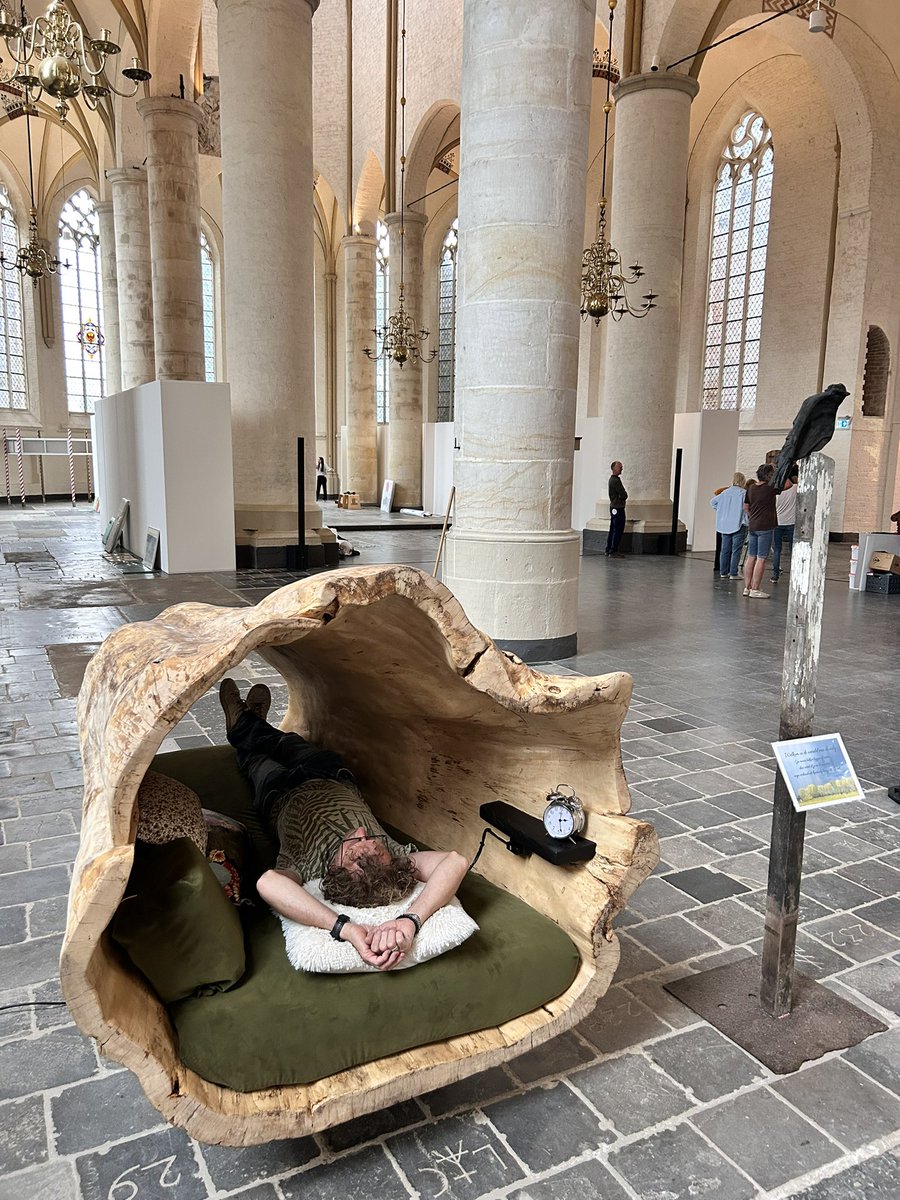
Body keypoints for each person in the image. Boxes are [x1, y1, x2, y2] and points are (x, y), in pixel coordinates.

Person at [219, 680, 468, 971]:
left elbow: (267, 883)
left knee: (256, 759)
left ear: (336, 869)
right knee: (287, 742)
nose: (362, 833)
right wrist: (411, 920)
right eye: (371, 839)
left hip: (279, 791)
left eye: (352, 846)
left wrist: (345, 928)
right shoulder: (395, 856)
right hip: (332, 775)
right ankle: (253, 723)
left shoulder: (308, 868)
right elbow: (456, 861)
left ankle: (243, 724)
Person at [742, 463, 778, 599]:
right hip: (765, 526)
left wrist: (753, 516)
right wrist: (779, 470)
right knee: (761, 558)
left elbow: (746, 507)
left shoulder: (751, 488)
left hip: (753, 526)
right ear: (769, 476)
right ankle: (756, 588)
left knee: (751, 556)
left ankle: (747, 587)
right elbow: (788, 485)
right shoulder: (770, 488)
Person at [710, 472, 748, 579]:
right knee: (736, 550)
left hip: (724, 524)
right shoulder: (744, 493)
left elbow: (713, 502)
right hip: (738, 523)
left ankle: (723, 572)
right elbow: (746, 509)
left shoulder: (725, 492)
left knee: (725, 549)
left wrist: (720, 510)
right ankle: (733, 573)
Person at [772, 466, 798, 582]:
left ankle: (775, 574)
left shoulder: (775, 493)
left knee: (777, 549)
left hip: (777, 522)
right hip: (791, 522)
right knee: (793, 549)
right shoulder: (795, 489)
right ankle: (795, 573)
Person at [605, 461, 628, 557]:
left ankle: (609, 549)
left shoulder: (612, 480)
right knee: (618, 529)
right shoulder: (616, 481)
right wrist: (624, 496)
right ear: (614, 468)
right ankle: (613, 550)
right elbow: (624, 494)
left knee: (613, 529)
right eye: (620, 467)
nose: (621, 469)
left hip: (614, 507)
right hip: (618, 507)